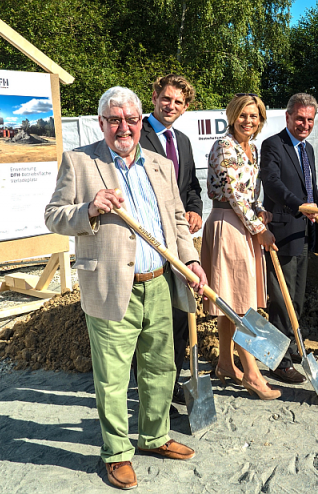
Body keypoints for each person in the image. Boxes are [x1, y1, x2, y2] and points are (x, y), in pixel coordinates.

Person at [44, 86, 207, 490]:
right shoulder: (80, 162)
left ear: (140, 121)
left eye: (130, 119)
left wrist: (191, 261)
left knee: (160, 367)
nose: (124, 127)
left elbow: (176, 219)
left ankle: (153, 437)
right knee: (114, 377)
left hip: (159, 283)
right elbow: (54, 216)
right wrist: (89, 208)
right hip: (110, 285)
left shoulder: (159, 163)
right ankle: (116, 453)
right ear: (101, 123)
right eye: (114, 120)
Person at [201, 93, 281, 400]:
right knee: (241, 303)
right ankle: (250, 373)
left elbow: (248, 193)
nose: (249, 121)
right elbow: (232, 194)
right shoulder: (224, 146)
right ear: (233, 115)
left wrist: (260, 210)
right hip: (228, 224)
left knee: (232, 299)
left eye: (255, 116)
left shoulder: (252, 148)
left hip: (244, 224)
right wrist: (260, 230)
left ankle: (224, 363)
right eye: (244, 115)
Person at [260, 93, 318, 384]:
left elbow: (312, 190)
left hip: (304, 232)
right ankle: (277, 362)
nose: (305, 124)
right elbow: (273, 184)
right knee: (282, 299)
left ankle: (290, 347)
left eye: (310, 120)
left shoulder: (307, 149)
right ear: (288, 117)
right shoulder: (273, 145)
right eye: (300, 118)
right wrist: (298, 206)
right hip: (280, 231)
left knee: (297, 298)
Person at [139, 74, 203, 407]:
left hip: (178, 239)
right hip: (147, 241)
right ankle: (146, 382)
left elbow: (191, 186)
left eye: (178, 102)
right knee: (149, 316)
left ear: (186, 106)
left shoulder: (183, 141)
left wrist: (194, 210)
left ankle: (173, 381)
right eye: (166, 99)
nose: (171, 106)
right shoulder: (138, 134)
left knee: (179, 313)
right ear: (154, 97)